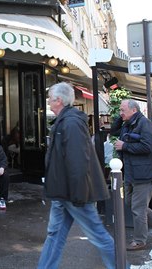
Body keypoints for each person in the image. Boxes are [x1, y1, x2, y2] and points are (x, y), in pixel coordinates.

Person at [37, 82, 115, 269]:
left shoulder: (70, 123)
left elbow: (78, 161)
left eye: (49, 97)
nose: (47, 101)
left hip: (74, 194)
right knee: (54, 234)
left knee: (98, 235)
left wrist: (80, 195)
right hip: (63, 193)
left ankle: (122, 266)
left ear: (58, 100)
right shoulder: (65, 121)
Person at [111, 99, 152, 251]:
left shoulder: (145, 124)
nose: (121, 112)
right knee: (131, 203)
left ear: (134, 110)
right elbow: (113, 130)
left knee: (138, 208)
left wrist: (125, 146)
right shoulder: (128, 123)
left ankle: (140, 240)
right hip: (131, 172)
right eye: (120, 110)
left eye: (123, 110)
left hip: (144, 172)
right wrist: (121, 116)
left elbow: (148, 146)